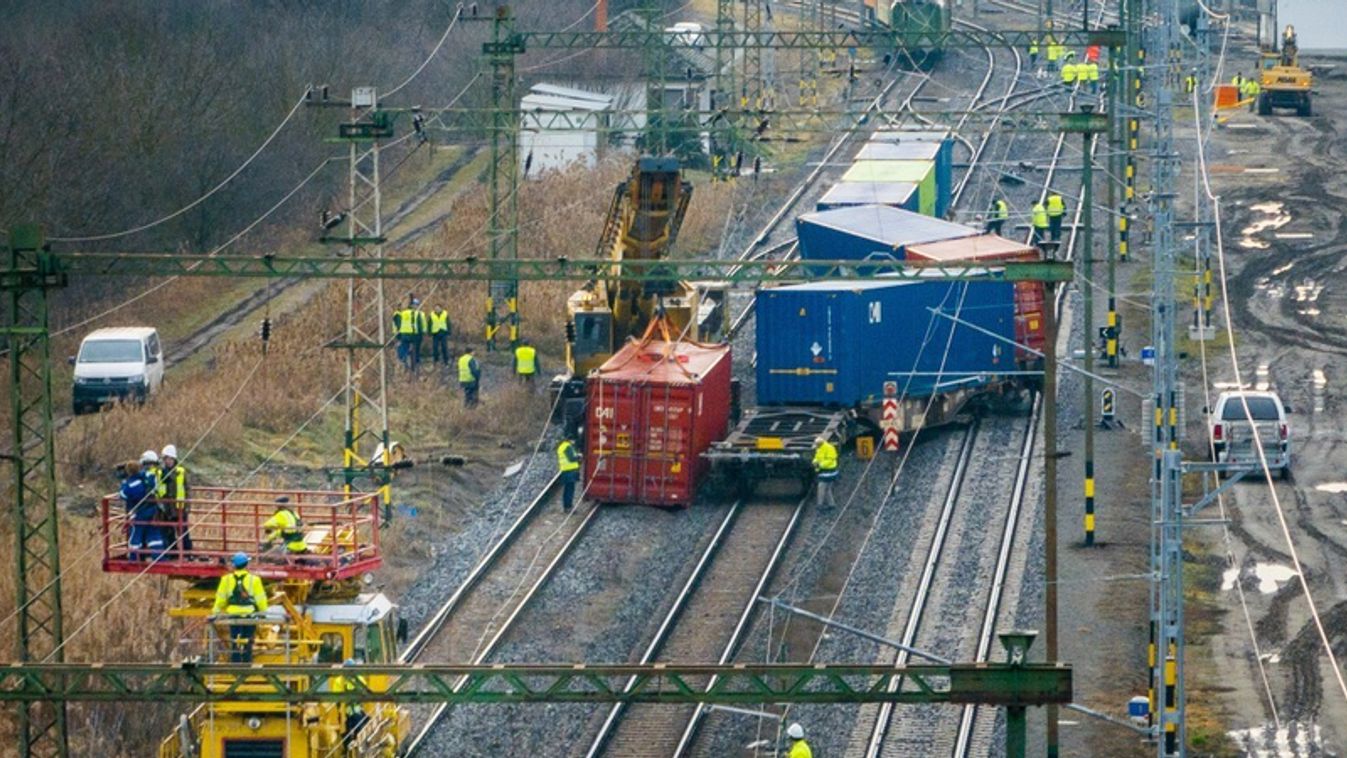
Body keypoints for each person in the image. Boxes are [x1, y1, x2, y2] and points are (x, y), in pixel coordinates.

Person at [212, 552, 269, 663]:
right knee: (248, 639)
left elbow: (220, 599)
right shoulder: (255, 580)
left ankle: (236, 661)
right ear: (246, 564)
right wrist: (263, 613)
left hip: (234, 615)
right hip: (249, 615)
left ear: (234, 565)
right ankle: (247, 661)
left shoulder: (226, 579)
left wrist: (215, 613)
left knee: (235, 639)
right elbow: (261, 599)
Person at [120, 458, 162, 560]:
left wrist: (123, 483)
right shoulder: (146, 478)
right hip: (151, 510)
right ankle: (159, 557)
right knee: (154, 534)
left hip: (139, 513)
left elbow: (123, 495)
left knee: (135, 535)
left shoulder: (131, 484)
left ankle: (134, 558)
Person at [160, 444, 192, 557]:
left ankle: (187, 553)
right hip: (167, 507)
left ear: (174, 459)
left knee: (183, 531)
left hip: (180, 507)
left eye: (169, 459)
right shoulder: (161, 473)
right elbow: (159, 489)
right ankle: (173, 553)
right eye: (166, 459)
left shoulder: (180, 472)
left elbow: (187, 488)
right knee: (168, 531)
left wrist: (188, 505)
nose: (168, 461)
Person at [334, 659, 371, 750]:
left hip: (354, 710)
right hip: (346, 711)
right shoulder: (340, 680)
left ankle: (354, 746)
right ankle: (348, 747)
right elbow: (337, 698)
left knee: (359, 726)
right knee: (347, 729)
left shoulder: (358, 679)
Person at [393, 296, 427, 373]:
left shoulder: (402, 313)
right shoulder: (418, 314)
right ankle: (415, 364)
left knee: (404, 349)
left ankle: (405, 363)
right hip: (414, 335)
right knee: (416, 350)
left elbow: (398, 324)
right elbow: (420, 325)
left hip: (404, 334)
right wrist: (422, 334)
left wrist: (398, 335)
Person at [812, 437, 838, 509]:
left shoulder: (830, 448)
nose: (816, 447)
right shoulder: (819, 448)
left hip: (829, 472)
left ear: (820, 444)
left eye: (817, 445)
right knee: (827, 489)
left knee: (821, 488)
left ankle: (820, 504)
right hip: (824, 472)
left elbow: (830, 459)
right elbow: (817, 457)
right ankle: (831, 504)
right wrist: (814, 461)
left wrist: (820, 465)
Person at [557, 437, 581, 512]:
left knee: (567, 490)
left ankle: (567, 506)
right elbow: (571, 458)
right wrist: (579, 456)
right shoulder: (567, 446)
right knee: (569, 490)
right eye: (573, 440)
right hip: (570, 472)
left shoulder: (562, 446)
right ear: (569, 440)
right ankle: (568, 507)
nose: (573, 442)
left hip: (565, 471)